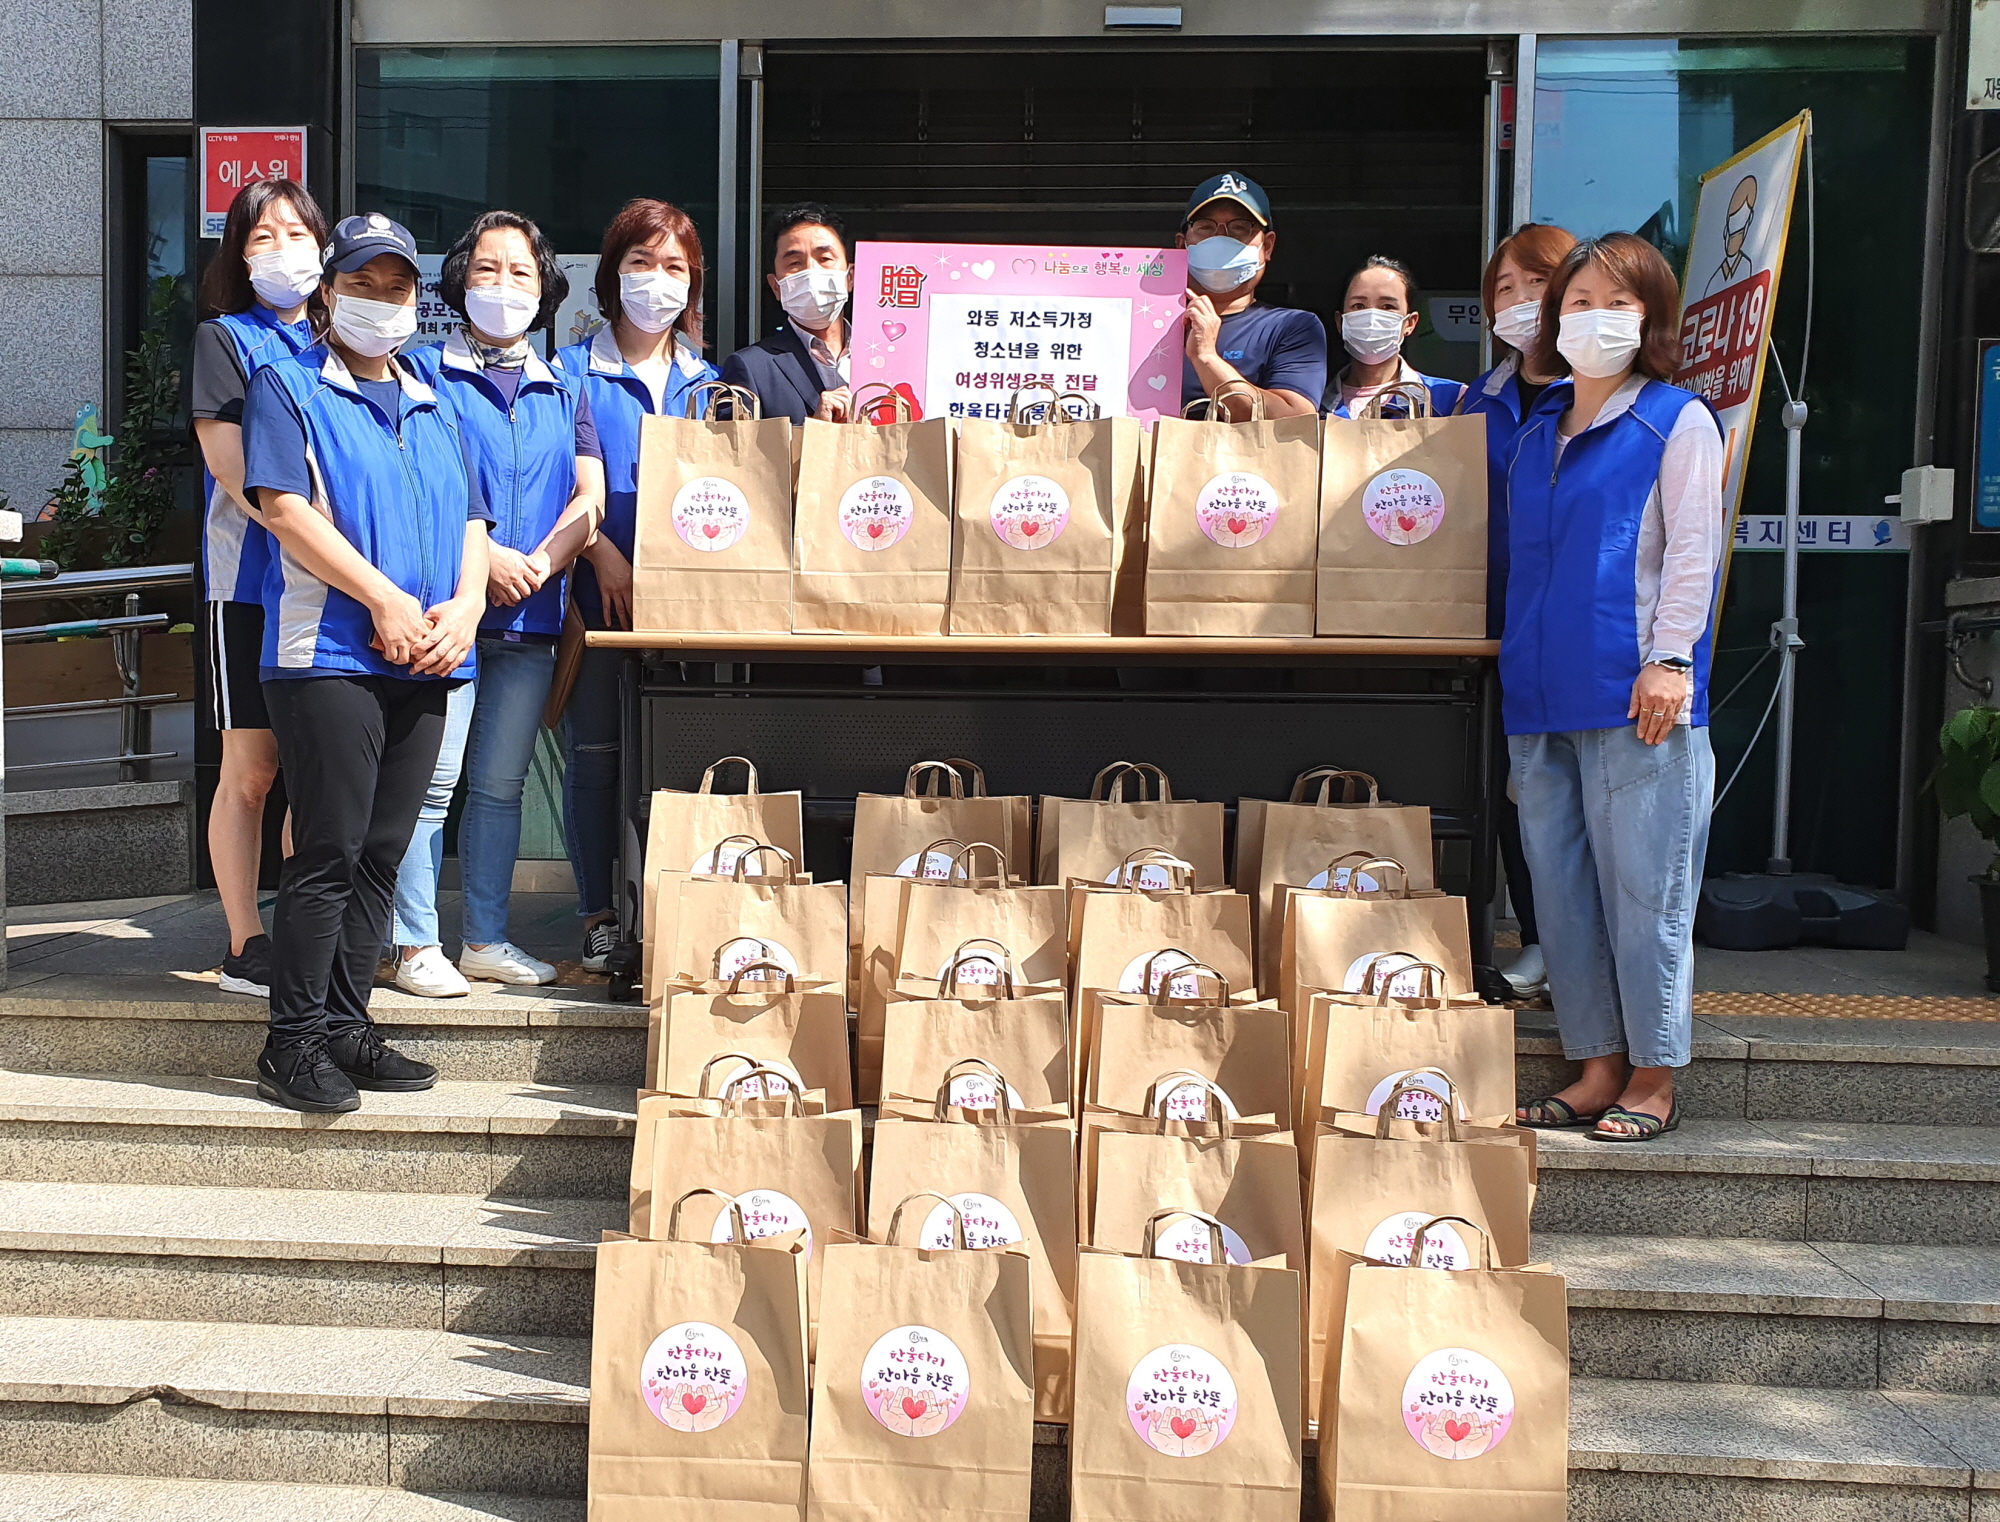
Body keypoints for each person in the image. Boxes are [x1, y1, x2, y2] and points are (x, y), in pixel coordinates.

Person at [240, 213, 493, 1113]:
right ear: (328, 291)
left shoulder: (434, 395)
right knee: (330, 850)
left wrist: (464, 611)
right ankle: (293, 1040)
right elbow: (284, 508)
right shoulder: (288, 386)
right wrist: (382, 600)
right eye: (361, 285)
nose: (379, 303)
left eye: (395, 288)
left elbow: (473, 521)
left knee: (387, 848)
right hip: (330, 655)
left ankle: (348, 1025)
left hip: (426, 656)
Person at [1505, 232, 1724, 1143]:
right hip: (1537, 693)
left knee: (1647, 893)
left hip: (1637, 696)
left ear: (1651, 318)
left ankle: (1654, 1075)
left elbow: (1694, 552)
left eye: (1618, 302)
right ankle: (1595, 1066)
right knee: (1561, 895)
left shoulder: (1675, 420)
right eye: (1580, 300)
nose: (1595, 317)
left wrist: (1672, 659)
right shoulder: (1533, 432)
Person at [387, 211, 608, 997]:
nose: (503, 285)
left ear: (546, 286)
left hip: (529, 617)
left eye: (520, 271)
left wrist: (543, 564)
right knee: (431, 785)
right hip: (448, 613)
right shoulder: (421, 373)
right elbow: (416, 485)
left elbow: (590, 497)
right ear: (458, 281)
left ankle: (483, 936)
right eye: (486, 269)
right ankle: (414, 942)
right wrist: (489, 562)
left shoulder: (566, 383)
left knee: (500, 786)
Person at [553, 200, 719, 970]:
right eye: (641, 264)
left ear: (693, 284)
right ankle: (598, 916)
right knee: (596, 755)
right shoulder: (570, 371)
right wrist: (599, 554)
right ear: (611, 275)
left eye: (674, 268)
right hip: (596, 600)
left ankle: (673, 909)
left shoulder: (709, 382)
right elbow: (553, 487)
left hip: (691, 607)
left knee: (681, 759)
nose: (657, 282)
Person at [191, 177, 329, 998]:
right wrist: (317, 537)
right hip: (248, 586)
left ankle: (308, 934)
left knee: (313, 770)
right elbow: (231, 469)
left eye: (297, 234)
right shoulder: (226, 339)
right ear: (239, 255)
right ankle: (246, 939)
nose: (284, 251)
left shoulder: (339, 335)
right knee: (251, 770)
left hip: (327, 591)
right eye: (262, 237)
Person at [1463, 223, 1579, 999]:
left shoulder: (1602, 392)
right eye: (1503, 289)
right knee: (1515, 789)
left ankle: (1586, 952)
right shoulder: (1481, 397)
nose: (1518, 302)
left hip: (1576, 625)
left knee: (1582, 791)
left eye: (1534, 284)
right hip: (1495, 622)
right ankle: (1539, 938)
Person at [1177, 172, 1326, 421]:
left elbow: (1294, 422)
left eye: (1239, 228)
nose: (1221, 238)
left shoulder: (1292, 327)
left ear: (1266, 246)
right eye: (1205, 227)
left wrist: (1207, 358)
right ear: (1182, 245)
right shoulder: (1144, 320)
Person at [721, 203, 854, 424]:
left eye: (825, 259)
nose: (812, 271)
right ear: (776, 287)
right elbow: (733, 455)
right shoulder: (751, 368)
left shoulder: (892, 358)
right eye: (795, 263)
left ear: (850, 277)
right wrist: (813, 432)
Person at [1324, 256, 1468, 419]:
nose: (1373, 317)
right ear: (1340, 322)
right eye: (1359, 306)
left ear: (1410, 323)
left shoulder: (1450, 399)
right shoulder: (1313, 405)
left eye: (1387, 307)